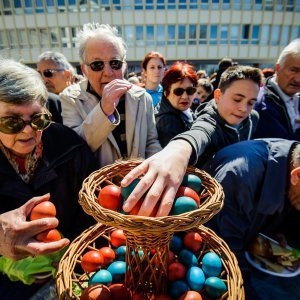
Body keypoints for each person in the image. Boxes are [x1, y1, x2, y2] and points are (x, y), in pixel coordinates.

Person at [0, 59, 97, 299]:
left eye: (37, 119)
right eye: (11, 122)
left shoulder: (70, 148)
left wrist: (70, 259)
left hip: (69, 271)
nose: (27, 130)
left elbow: (91, 215)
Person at [121, 65, 263, 217]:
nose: (243, 108)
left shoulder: (253, 117)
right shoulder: (203, 121)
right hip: (207, 205)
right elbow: (199, 133)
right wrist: (178, 150)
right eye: (237, 99)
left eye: (251, 102)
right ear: (218, 96)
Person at [203, 139, 300, 300]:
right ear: (297, 175)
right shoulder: (240, 174)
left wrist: (271, 233)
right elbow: (224, 253)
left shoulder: (290, 157)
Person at [60, 23, 162, 167]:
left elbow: (151, 142)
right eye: (97, 65)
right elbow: (74, 148)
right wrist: (103, 111)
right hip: (97, 187)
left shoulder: (143, 97)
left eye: (115, 63)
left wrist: (155, 170)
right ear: (85, 70)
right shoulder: (70, 99)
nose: (108, 72)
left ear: (124, 66)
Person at [254, 38, 300, 140]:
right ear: (278, 68)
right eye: (293, 70)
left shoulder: (296, 98)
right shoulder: (262, 104)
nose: (298, 79)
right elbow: (283, 147)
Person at [155, 61, 197, 147]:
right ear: (166, 93)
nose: (185, 96)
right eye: (178, 91)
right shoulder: (167, 121)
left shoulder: (182, 109)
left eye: (190, 91)